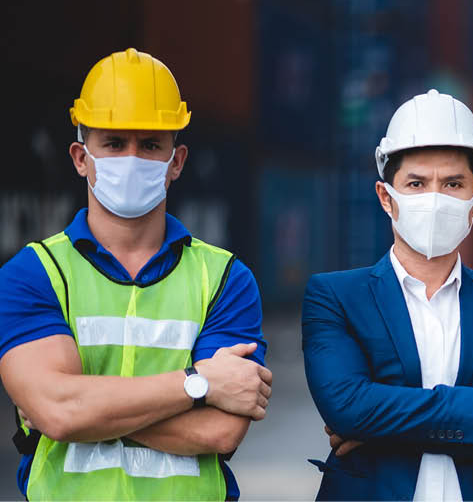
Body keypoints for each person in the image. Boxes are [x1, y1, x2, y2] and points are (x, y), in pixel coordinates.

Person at [0, 48, 272, 500]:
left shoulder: (225, 278)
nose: (132, 158)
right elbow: (59, 413)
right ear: (80, 157)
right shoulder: (33, 273)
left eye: (150, 145)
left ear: (176, 161)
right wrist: (198, 383)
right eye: (113, 142)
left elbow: (221, 431)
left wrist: (79, 411)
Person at [302, 89, 473, 501]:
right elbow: (348, 408)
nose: (434, 198)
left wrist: (380, 424)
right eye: (416, 183)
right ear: (387, 196)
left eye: (453, 183)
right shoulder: (335, 297)